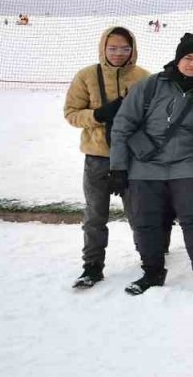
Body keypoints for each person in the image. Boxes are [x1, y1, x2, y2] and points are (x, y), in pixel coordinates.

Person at [109, 33, 193, 302]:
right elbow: (122, 125)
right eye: (188, 58)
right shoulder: (150, 86)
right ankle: (152, 272)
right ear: (178, 59)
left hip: (187, 165)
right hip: (145, 166)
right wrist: (118, 168)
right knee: (146, 222)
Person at [64, 26, 149, 288]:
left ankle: (150, 260)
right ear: (103, 48)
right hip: (97, 157)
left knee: (140, 212)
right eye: (112, 48)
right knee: (95, 214)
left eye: (125, 48)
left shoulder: (144, 77)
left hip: (133, 159)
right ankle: (92, 266)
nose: (119, 53)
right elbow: (71, 113)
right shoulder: (87, 76)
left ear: (132, 49)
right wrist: (99, 115)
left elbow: (155, 116)